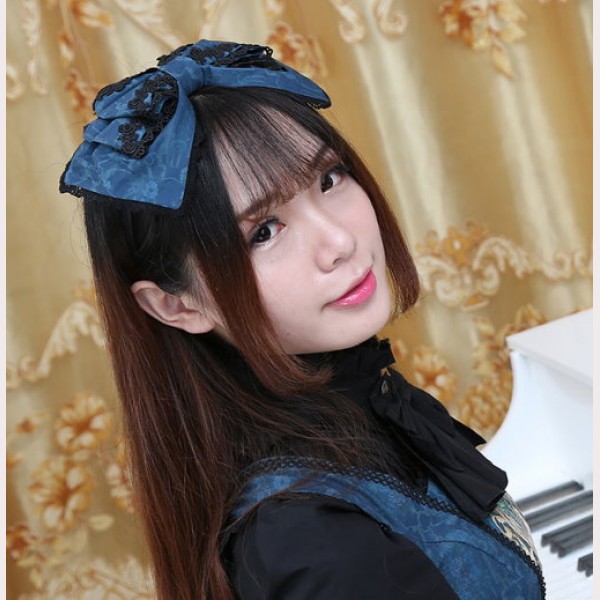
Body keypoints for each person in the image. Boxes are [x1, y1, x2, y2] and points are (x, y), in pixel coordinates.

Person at [60, 39, 544, 600]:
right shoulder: (312, 541)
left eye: (329, 179)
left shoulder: (354, 399)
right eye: (264, 232)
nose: (340, 242)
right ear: (178, 305)